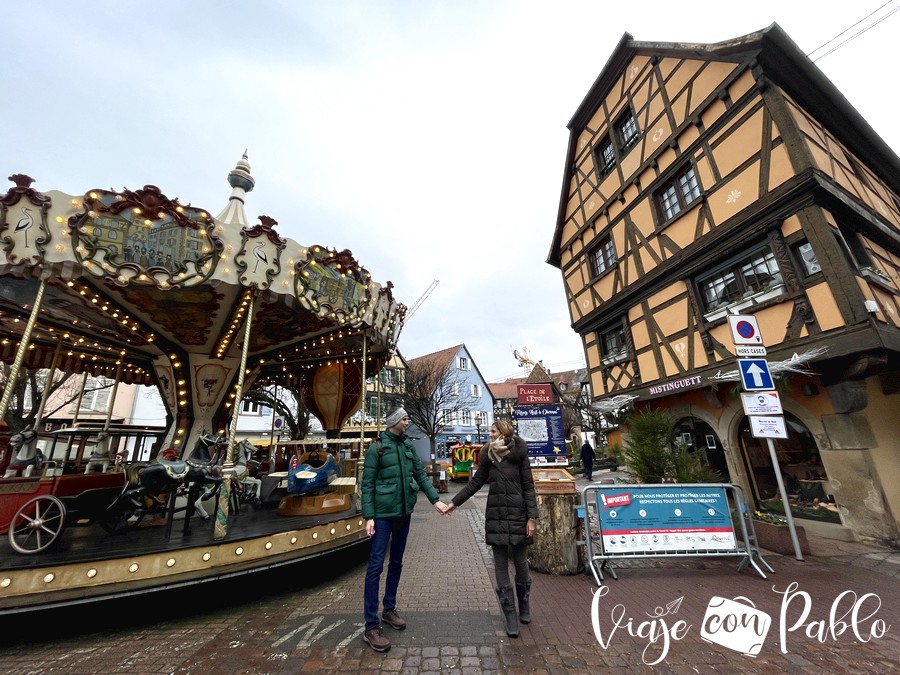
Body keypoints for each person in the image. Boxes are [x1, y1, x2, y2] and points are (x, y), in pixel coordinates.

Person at [361, 407, 449, 652]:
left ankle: (389, 609)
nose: (408, 421)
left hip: (404, 512)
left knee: (397, 562)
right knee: (376, 566)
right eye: (405, 418)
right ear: (394, 422)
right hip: (382, 515)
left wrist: (436, 501)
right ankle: (370, 626)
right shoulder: (376, 449)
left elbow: (420, 476)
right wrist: (368, 516)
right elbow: (366, 483)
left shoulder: (407, 446)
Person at [445, 420, 537, 638]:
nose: (489, 433)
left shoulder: (520, 452)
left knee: (521, 562)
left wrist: (532, 518)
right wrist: (453, 503)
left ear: (503, 432)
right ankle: (510, 613)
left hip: (518, 515)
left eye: (493, 431)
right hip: (496, 516)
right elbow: (475, 483)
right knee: (500, 564)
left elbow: (528, 486)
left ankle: (524, 604)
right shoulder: (487, 455)